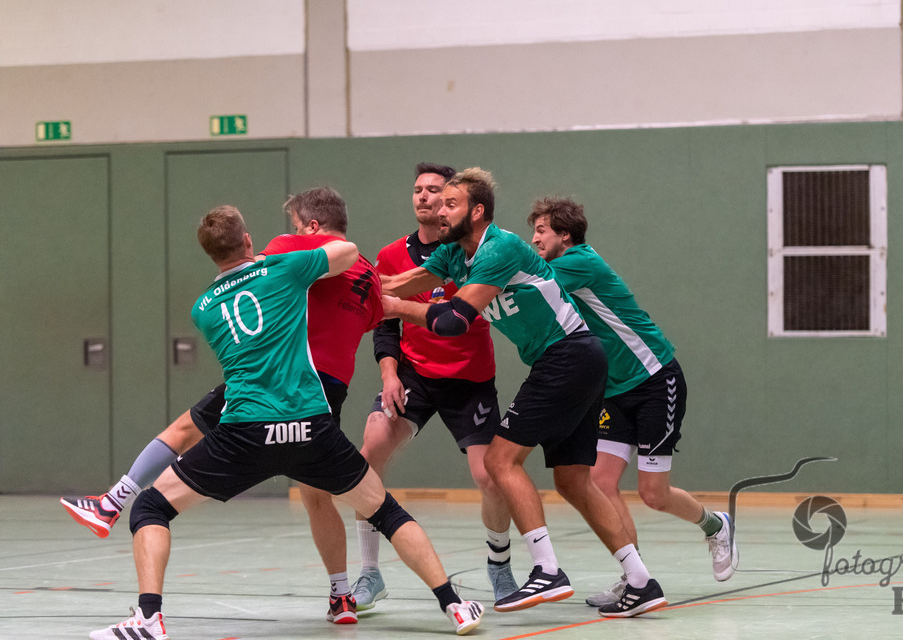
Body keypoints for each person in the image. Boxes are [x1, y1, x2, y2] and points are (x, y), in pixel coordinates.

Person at [88, 205, 483, 640]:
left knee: (150, 508)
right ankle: (454, 606)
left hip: (244, 432)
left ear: (210, 255)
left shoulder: (202, 308)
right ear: (248, 240)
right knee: (386, 511)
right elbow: (348, 252)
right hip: (311, 426)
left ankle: (148, 619)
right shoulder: (284, 270)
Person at [64, 187, 384, 624]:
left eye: (295, 225)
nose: (288, 233)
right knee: (316, 497)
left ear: (311, 227)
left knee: (184, 430)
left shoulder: (287, 250)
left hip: (276, 379)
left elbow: (252, 271)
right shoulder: (366, 273)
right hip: (326, 386)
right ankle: (341, 595)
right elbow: (380, 305)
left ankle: (113, 502)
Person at [380, 167, 666, 618]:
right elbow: (399, 284)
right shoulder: (454, 253)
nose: (438, 208)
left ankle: (547, 569)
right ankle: (641, 580)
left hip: (567, 355)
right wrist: (350, 285)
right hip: (579, 359)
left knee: (499, 461)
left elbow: (453, 321)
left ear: (477, 211)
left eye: (450, 203)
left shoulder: (501, 248)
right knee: (573, 480)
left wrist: (395, 308)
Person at [528, 196, 738, 605]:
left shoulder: (579, 262)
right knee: (600, 482)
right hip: (612, 390)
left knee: (654, 494)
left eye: (541, 231)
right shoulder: (562, 266)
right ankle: (635, 577)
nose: (534, 239)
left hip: (655, 380)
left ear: (564, 235)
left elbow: (527, 283)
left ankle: (716, 526)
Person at [354, 163, 516, 609]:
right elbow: (384, 323)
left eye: (436, 192)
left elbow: (446, 317)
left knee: (490, 477)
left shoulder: (471, 250)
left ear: (455, 204)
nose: (425, 197)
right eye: (418, 190)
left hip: (470, 379)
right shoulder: (391, 254)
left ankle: (500, 566)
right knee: (370, 450)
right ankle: (369, 572)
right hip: (414, 377)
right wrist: (389, 375)